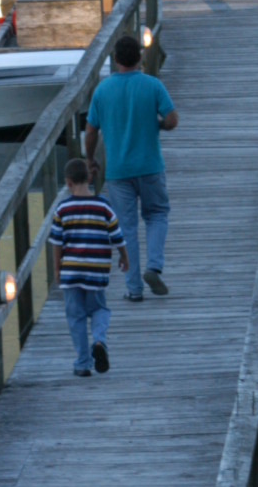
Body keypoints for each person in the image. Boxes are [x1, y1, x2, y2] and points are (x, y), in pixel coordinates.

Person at [84, 33, 178, 300]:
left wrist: (90, 159)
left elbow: (91, 131)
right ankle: (154, 267)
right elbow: (172, 120)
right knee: (157, 214)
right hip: (149, 166)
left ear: (115, 60)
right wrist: (156, 124)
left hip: (117, 172)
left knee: (126, 228)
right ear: (140, 57)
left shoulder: (102, 90)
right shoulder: (152, 85)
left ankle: (134, 289)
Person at [47, 156, 127, 376]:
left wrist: (57, 270)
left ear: (69, 182)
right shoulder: (103, 206)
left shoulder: (62, 209)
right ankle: (99, 342)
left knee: (76, 316)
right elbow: (117, 236)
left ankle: (83, 363)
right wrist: (124, 257)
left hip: (71, 271)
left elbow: (57, 243)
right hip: (96, 271)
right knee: (100, 308)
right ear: (89, 177)